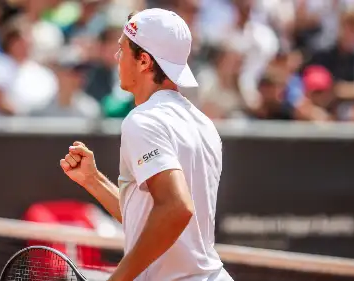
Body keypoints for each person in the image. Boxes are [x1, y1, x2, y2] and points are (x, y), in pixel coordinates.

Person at [60, 8, 233, 281]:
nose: (117, 58)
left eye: (122, 50)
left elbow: (176, 209)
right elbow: (156, 218)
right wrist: (94, 180)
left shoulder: (142, 121)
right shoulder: (203, 124)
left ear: (143, 61)